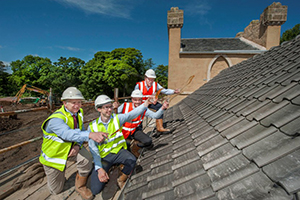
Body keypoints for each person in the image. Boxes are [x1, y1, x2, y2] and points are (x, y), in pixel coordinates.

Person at [39, 87, 107, 200]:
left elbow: (79, 131)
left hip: (70, 149)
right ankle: (58, 172)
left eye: (79, 102)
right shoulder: (55, 119)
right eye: (73, 103)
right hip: (54, 157)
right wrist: (90, 135)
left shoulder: (78, 113)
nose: (77, 105)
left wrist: (77, 145)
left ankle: (80, 186)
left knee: (86, 159)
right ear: (65, 103)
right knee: (56, 191)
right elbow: (67, 134)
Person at [88, 94, 152, 195]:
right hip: (104, 157)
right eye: (106, 107)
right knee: (96, 190)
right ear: (99, 109)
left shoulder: (117, 118)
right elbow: (93, 150)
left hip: (119, 152)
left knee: (132, 160)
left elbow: (132, 114)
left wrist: (146, 103)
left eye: (110, 106)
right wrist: (99, 169)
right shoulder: (92, 127)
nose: (109, 110)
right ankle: (105, 169)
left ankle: (121, 178)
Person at [115, 89, 170, 157]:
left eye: (139, 100)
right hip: (123, 131)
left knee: (148, 141)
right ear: (132, 99)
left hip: (134, 130)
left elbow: (155, 116)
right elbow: (112, 116)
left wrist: (163, 107)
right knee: (124, 150)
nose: (137, 102)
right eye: (135, 100)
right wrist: (114, 108)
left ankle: (135, 147)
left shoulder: (144, 108)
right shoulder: (125, 105)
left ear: (141, 100)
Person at [135, 69, 179, 134]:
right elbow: (134, 96)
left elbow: (165, 91)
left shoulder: (156, 85)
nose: (150, 81)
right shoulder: (139, 85)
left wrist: (174, 91)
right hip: (140, 103)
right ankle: (139, 132)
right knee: (139, 114)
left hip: (150, 103)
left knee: (160, 107)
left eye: (152, 79)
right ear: (145, 78)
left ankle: (160, 128)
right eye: (149, 79)